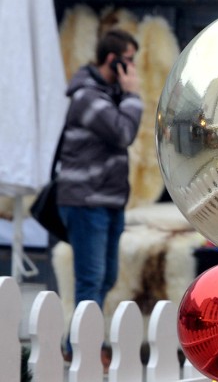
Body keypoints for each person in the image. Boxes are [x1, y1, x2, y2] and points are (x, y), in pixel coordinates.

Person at [56, 28, 143, 359]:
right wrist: (133, 95)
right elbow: (122, 133)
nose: (133, 70)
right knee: (90, 280)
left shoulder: (106, 94)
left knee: (105, 276)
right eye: (129, 61)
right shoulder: (87, 97)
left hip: (107, 200)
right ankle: (84, 351)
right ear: (113, 60)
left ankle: (74, 343)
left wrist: (126, 94)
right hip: (85, 200)